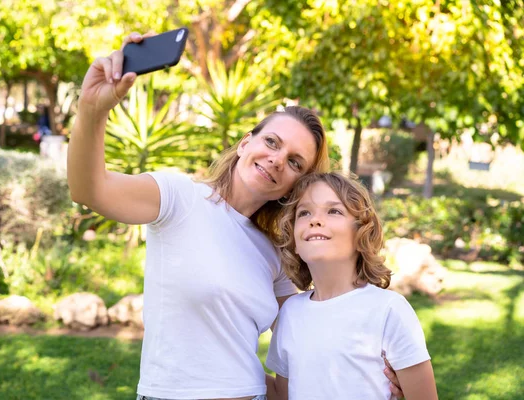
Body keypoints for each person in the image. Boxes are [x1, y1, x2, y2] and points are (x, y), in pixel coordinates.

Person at [67, 32, 404, 400]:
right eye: (271, 142)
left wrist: (382, 377)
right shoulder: (179, 199)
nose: (276, 159)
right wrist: (92, 109)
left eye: (294, 162)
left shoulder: (272, 252)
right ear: (246, 143)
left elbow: (309, 338)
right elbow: (89, 189)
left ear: (294, 187)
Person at [266, 172, 438, 399]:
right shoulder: (289, 312)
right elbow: (282, 394)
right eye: (304, 212)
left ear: (361, 233)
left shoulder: (388, 310)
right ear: (295, 241)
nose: (314, 220)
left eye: (334, 211)